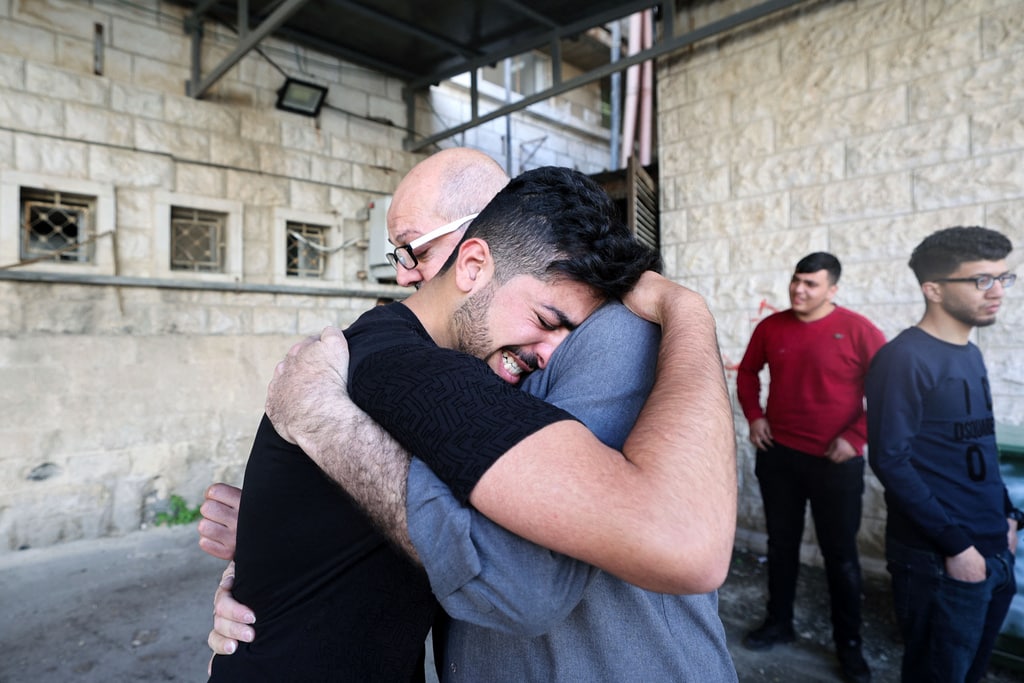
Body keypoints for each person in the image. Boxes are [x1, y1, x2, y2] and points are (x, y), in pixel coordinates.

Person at [202, 150, 735, 681]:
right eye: (397, 256)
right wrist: (284, 543)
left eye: (417, 249)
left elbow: (534, 579)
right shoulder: (428, 359)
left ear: (478, 252)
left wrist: (687, 309)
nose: (406, 277)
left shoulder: (603, 339)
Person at [865, 226, 1021, 683]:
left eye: (1002, 278)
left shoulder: (970, 353)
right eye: (981, 281)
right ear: (932, 289)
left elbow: (976, 447)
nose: (996, 293)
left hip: (993, 546)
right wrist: (958, 548)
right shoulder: (903, 358)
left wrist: (1009, 518)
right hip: (943, 559)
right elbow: (890, 460)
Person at [736, 252, 885, 683]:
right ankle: (779, 622)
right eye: (796, 281)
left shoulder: (858, 331)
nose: (799, 290)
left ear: (832, 289)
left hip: (834, 463)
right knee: (780, 546)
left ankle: (849, 647)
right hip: (779, 455)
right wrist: (755, 416)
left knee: (841, 557)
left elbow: (891, 389)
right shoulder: (772, 327)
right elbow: (747, 373)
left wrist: (857, 437)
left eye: (811, 284)